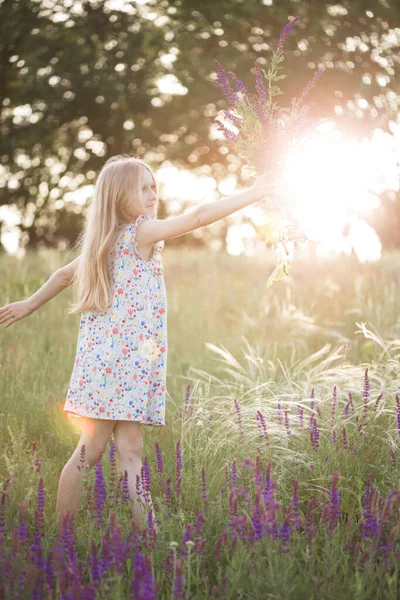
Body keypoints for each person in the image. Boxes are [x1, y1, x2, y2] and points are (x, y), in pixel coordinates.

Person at [0, 154, 282, 536]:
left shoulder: (106, 242)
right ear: (119, 198)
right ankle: (61, 541)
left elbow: (64, 275)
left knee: (130, 450)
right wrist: (253, 193)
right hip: (121, 368)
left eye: (154, 187)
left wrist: (29, 304)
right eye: (142, 189)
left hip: (117, 366)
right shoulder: (139, 233)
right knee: (89, 453)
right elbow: (198, 217)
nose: (152, 195)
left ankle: (148, 540)